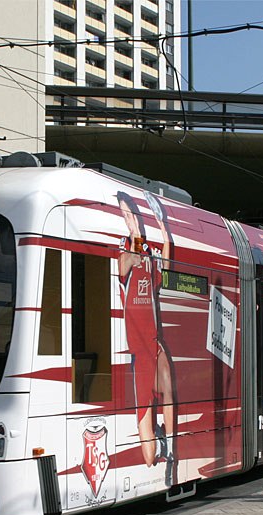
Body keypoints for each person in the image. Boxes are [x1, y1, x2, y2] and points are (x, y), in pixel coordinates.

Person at [116, 190, 177, 486]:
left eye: (130, 213)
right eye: (124, 214)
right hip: (137, 348)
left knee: (168, 388)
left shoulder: (150, 254)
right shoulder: (125, 249)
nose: (128, 219)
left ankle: (172, 444)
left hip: (154, 339)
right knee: (147, 446)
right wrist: (138, 234)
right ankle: (158, 454)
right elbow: (125, 265)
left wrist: (163, 230)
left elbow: (166, 269)